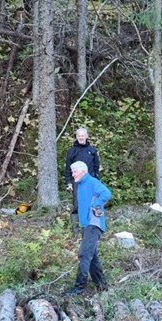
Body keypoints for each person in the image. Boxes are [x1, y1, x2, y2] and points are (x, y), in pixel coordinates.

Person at [66, 161, 110, 297]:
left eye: (74, 172)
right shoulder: (80, 185)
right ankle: (102, 287)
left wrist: (96, 205)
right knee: (92, 257)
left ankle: (79, 289)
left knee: (84, 255)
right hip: (86, 225)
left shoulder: (92, 182)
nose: (72, 174)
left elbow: (106, 193)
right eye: (72, 172)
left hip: (94, 223)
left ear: (83, 171)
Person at [64, 127, 100, 233]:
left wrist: (96, 179)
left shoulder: (92, 150)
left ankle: (90, 226)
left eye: (83, 135)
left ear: (86, 136)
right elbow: (68, 168)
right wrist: (68, 182)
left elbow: (96, 166)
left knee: (91, 203)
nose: (81, 137)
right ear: (76, 137)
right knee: (77, 204)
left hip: (90, 181)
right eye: (79, 135)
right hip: (77, 182)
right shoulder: (72, 151)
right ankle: (76, 229)